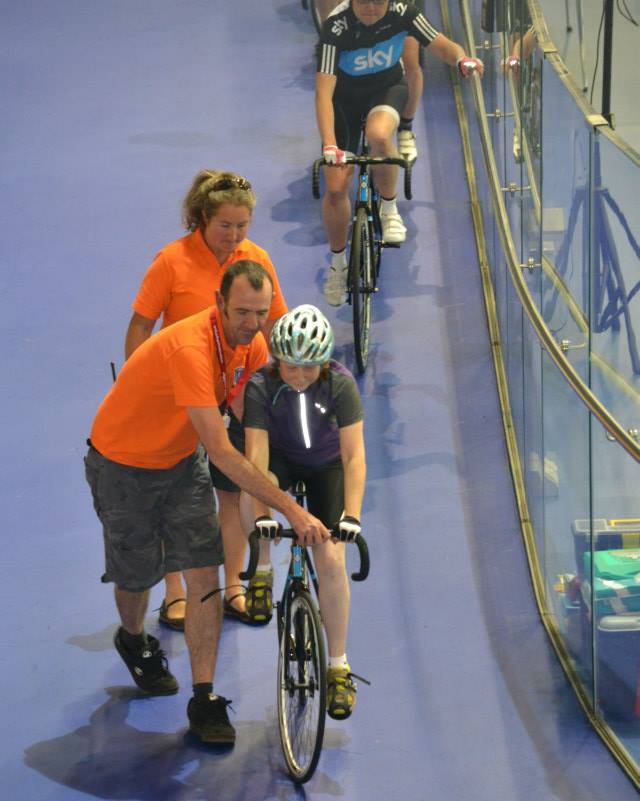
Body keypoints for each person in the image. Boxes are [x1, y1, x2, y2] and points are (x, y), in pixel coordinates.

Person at [85, 262, 329, 745]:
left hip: (180, 463)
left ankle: (204, 698)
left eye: (261, 313)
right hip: (123, 465)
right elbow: (221, 449)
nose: (253, 323)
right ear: (218, 304)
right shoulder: (190, 348)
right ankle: (133, 638)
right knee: (137, 577)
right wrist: (291, 508)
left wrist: (304, 454)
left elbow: (247, 416)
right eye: (242, 312)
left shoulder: (254, 342)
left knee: (203, 572)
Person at [125, 169, 288, 629]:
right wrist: (142, 388)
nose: (234, 236)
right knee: (175, 496)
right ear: (201, 218)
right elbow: (140, 328)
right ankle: (175, 592)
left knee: (232, 490)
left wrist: (279, 387)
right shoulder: (171, 262)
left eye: (242, 226)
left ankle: (233, 585)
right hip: (182, 395)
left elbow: (274, 325)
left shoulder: (255, 259)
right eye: (225, 226)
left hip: (235, 390)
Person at [241, 305, 366, 719]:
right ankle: (260, 569)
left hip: (326, 467)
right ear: (277, 361)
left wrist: (352, 516)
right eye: (290, 367)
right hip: (281, 462)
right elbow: (256, 456)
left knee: (331, 557)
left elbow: (353, 457)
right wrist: (265, 517)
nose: (298, 377)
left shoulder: (342, 384)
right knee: (250, 488)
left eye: (309, 369)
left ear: (325, 363)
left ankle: (338, 666)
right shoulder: (261, 385)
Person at [316, 0, 484, 305]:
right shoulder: (335, 28)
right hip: (344, 102)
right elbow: (324, 93)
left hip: (387, 89)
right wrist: (329, 143)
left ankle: (389, 210)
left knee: (379, 134)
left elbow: (443, 46)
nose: (370, 9)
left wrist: (461, 60)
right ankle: (338, 266)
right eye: (363, 2)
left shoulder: (404, 14)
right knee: (337, 187)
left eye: (378, 2)